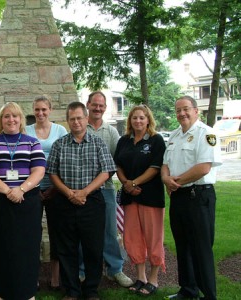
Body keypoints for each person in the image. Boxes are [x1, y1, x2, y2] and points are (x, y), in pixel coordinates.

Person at [47, 101, 116, 300]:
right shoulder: (59, 144)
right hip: (65, 201)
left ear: (86, 119)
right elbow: (52, 173)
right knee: (67, 249)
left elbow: (106, 171)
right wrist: (69, 193)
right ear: (67, 121)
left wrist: (85, 192)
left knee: (93, 248)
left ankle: (91, 290)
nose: (76, 122)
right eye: (72, 119)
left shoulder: (98, 143)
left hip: (92, 201)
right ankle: (71, 291)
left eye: (79, 118)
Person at [0, 102, 46, 300]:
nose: (11, 120)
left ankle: (27, 293)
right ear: (1, 120)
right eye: (6, 116)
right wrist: (8, 190)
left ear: (21, 119)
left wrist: (21, 189)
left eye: (15, 116)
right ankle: (2, 292)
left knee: (27, 248)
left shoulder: (32, 142)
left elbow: (39, 170)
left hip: (27, 202)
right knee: (1, 247)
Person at [162, 96, 222, 300]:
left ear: (197, 111)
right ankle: (188, 290)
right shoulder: (174, 135)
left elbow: (204, 167)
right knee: (182, 245)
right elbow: (165, 165)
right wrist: (165, 179)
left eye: (186, 109)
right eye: (178, 110)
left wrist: (174, 182)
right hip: (178, 197)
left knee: (201, 247)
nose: (182, 114)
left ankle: (209, 295)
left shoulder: (206, 133)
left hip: (199, 196)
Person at [113, 104, 166, 296]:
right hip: (130, 197)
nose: (138, 121)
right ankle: (141, 277)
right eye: (134, 118)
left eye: (142, 118)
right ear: (130, 121)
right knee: (133, 238)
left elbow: (155, 168)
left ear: (148, 119)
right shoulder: (124, 141)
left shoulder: (156, 140)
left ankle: (153, 279)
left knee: (153, 238)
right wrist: (127, 183)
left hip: (150, 197)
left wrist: (134, 183)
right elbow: (118, 165)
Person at [84, 91, 133, 287]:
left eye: (101, 106)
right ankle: (81, 270)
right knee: (82, 231)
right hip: (81, 190)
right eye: (94, 104)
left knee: (110, 232)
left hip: (105, 189)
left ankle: (115, 270)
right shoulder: (80, 126)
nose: (97, 108)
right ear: (88, 104)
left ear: (105, 108)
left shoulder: (111, 132)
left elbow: (114, 164)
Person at [25, 95, 67, 290]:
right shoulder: (25, 131)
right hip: (31, 189)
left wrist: (53, 188)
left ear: (50, 110)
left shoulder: (60, 130)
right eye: (37, 110)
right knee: (31, 232)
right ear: (33, 111)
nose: (40, 113)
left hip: (56, 189)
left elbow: (66, 160)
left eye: (44, 109)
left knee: (57, 232)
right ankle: (32, 275)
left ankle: (55, 277)